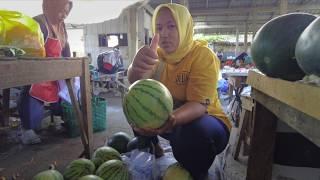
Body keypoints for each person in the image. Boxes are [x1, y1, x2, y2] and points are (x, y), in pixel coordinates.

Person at [127, 3, 231, 180]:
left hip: (209, 123)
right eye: (158, 28)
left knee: (193, 134)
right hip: (171, 122)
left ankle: (198, 172)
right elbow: (136, 83)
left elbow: (198, 105)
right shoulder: (157, 56)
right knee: (134, 101)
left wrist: (171, 120)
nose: (164, 34)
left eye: (171, 26)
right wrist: (136, 68)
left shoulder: (202, 55)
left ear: (184, 27)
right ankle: (155, 148)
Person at [18, 0, 72, 144]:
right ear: (49, 7)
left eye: (67, 12)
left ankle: (63, 118)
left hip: (55, 69)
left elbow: (65, 46)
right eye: (61, 11)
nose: (64, 16)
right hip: (37, 68)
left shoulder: (62, 25)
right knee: (34, 90)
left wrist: (69, 64)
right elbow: (30, 48)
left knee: (66, 90)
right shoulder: (38, 22)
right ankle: (27, 129)